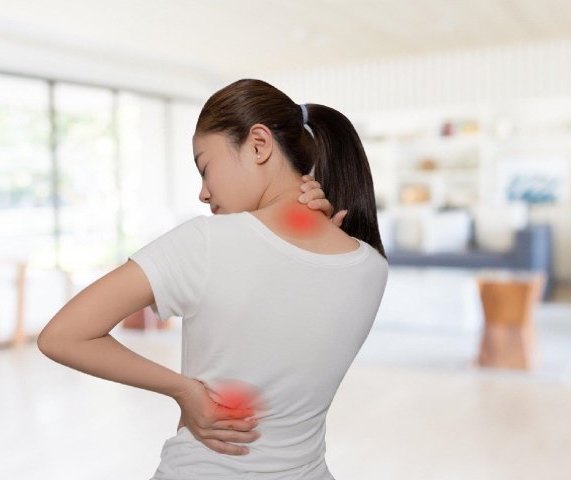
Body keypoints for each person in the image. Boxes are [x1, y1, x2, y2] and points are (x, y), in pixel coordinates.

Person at [38, 79, 388, 480]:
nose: (203, 193)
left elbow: (61, 336)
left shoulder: (205, 243)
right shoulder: (371, 267)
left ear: (259, 144)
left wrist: (184, 390)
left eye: (205, 168)